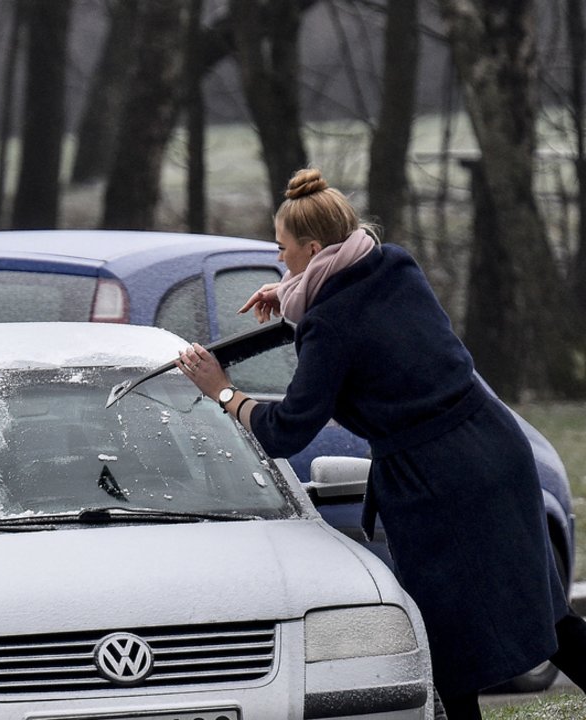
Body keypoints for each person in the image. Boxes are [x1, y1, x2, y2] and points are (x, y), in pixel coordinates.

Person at [175, 167, 586, 719]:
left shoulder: (328, 323)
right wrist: (291, 293)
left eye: (283, 252)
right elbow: (359, 313)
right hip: (497, 446)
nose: (279, 261)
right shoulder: (393, 264)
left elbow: (287, 429)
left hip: (437, 478)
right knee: (544, 612)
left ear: (313, 248)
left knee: (445, 638)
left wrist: (222, 391)